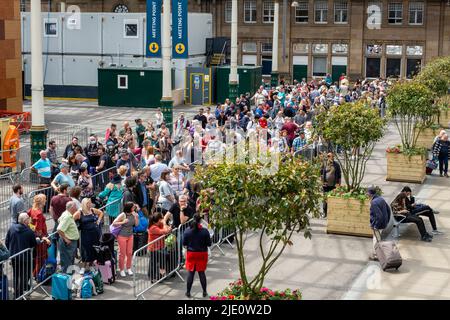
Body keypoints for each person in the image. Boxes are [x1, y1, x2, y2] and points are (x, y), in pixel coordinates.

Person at [5, 213, 48, 299]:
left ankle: (16, 295)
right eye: (28, 219)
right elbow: (33, 244)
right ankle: (20, 295)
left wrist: (12, 251)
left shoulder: (12, 228)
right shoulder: (29, 232)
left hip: (14, 257)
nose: (29, 220)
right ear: (25, 221)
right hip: (25, 258)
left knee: (16, 276)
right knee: (23, 277)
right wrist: (38, 240)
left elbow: (7, 242)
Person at [183, 214, 212, 298]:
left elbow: (184, 243)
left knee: (190, 273)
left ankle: (188, 292)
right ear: (200, 221)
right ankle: (204, 292)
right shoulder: (204, 231)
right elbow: (209, 244)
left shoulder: (187, 231)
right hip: (202, 254)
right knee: (201, 273)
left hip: (191, 254)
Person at [112, 202, 139, 277]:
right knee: (122, 253)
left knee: (129, 253)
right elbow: (114, 223)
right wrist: (123, 222)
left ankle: (128, 268)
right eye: (133, 207)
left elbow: (136, 225)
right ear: (129, 208)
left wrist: (136, 217)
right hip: (122, 236)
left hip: (130, 235)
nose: (134, 208)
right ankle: (121, 269)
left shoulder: (134, 214)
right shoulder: (123, 214)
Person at [78, 198, 104, 274]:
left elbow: (101, 213)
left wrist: (98, 221)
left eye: (90, 203)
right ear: (84, 204)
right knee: (85, 251)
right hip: (85, 235)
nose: (90, 204)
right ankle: (83, 267)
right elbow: (71, 219)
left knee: (94, 250)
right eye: (88, 203)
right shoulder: (80, 212)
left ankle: (91, 265)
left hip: (95, 233)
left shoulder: (92, 210)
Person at [27, 194, 49, 277]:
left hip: (34, 235)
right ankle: (38, 274)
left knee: (36, 256)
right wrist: (43, 237)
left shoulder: (32, 209)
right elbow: (39, 230)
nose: (46, 201)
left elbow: (29, 220)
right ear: (41, 202)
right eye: (45, 200)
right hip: (40, 238)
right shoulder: (39, 213)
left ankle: (35, 273)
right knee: (40, 257)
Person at [367, 187, 391, 261]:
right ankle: (379, 253)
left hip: (378, 224)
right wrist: (387, 220)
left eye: (367, 193)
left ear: (370, 194)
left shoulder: (374, 203)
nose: (366, 194)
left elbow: (379, 215)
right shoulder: (381, 199)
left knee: (376, 239)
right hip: (383, 223)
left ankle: (376, 255)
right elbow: (388, 210)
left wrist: (376, 226)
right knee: (379, 238)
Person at [147, 212, 172, 282]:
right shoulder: (153, 227)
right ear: (158, 219)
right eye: (161, 218)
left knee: (161, 260)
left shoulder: (159, 224)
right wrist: (165, 224)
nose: (163, 219)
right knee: (153, 263)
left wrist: (165, 225)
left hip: (159, 247)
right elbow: (165, 231)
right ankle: (153, 277)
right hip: (153, 248)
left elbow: (167, 229)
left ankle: (160, 275)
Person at [57, 201, 81, 273]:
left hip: (70, 242)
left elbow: (59, 220)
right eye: (75, 207)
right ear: (72, 208)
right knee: (67, 263)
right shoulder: (67, 216)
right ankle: (66, 280)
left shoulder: (65, 213)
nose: (76, 208)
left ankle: (68, 279)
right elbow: (59, 229)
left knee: (69, 262)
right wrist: (66, 239)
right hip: (68, 243)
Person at [321, 153, 342, 217]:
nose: (330, 157)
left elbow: (339, 176)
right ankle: (325, 212)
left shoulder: (336, 165)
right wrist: (322, 182)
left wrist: (339, 185)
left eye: (332, 156)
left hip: (334, 185)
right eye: (328, 156)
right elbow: (321, 174)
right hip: (326, 185)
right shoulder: (324, 164)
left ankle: (332, 213)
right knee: (325, 199)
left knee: (333, 199)